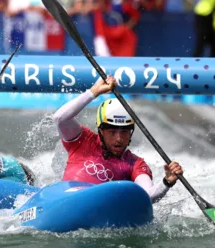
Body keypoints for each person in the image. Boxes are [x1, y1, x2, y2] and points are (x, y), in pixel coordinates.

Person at [53, 75, 183, 204]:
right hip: (67, 202)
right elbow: (60, 119)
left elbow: (146, 196)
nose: (119, 138)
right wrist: (93, 92)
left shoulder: (135, 164)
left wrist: (167, 182)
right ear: (101, 131)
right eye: (112, 132)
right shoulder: (82, 140)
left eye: (125, 131)